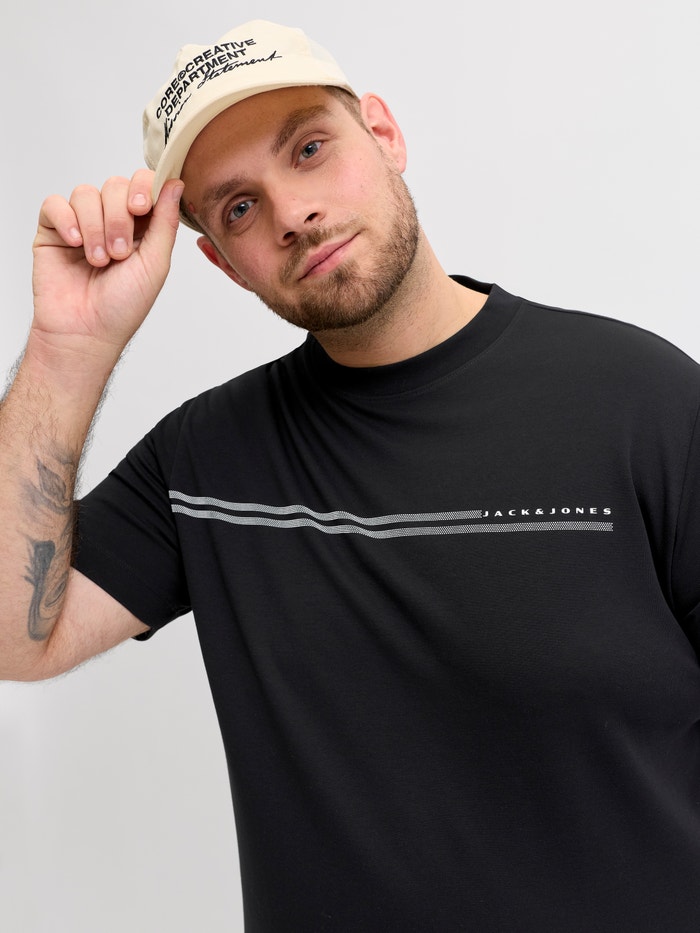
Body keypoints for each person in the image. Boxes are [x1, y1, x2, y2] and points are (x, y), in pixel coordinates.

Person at [2, 17, 700, 932]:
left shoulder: (641, 401)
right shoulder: (205, 462)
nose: (292, 213)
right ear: (220, 262)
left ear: (384, 133)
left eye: (309, 148)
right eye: (239, 208)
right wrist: (67, 350)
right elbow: (12, 636)